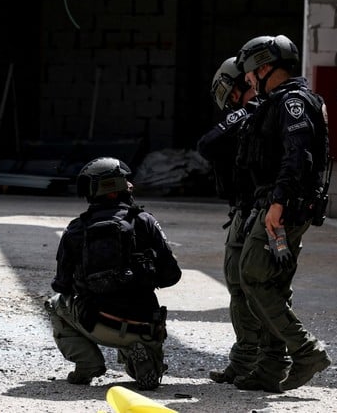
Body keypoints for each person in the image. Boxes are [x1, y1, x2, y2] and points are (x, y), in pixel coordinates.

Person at [233, 34, 332, 392]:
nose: (246, 79)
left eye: (249, 72)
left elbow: (298, 155)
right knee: (270, 283)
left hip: (284, 206)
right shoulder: (280, 101)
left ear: (266, 68)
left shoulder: (292, 102)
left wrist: (277, 204)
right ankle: (271, 366)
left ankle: (306, 350)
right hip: (279, 202)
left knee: (253, 277)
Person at [45, 157, 182, 390]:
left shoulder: (76, 229)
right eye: (126, 180)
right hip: (145, 326)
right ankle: (142, 357)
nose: (131, 185)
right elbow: (172, 275)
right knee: (139, 362)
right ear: (117, 186)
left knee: (54, 304)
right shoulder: (144, 221)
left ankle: (88, 365)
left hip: (98, 322)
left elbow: (61, 285)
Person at [197, 56, 279, 385]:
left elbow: (209, 144)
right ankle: (245, 358)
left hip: (262, 209)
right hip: (243, 209)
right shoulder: (250, 115)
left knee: (258, 285)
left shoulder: (266, 109)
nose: (228, 99)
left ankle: (272, 360)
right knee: (236, 283)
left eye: (232, 90)